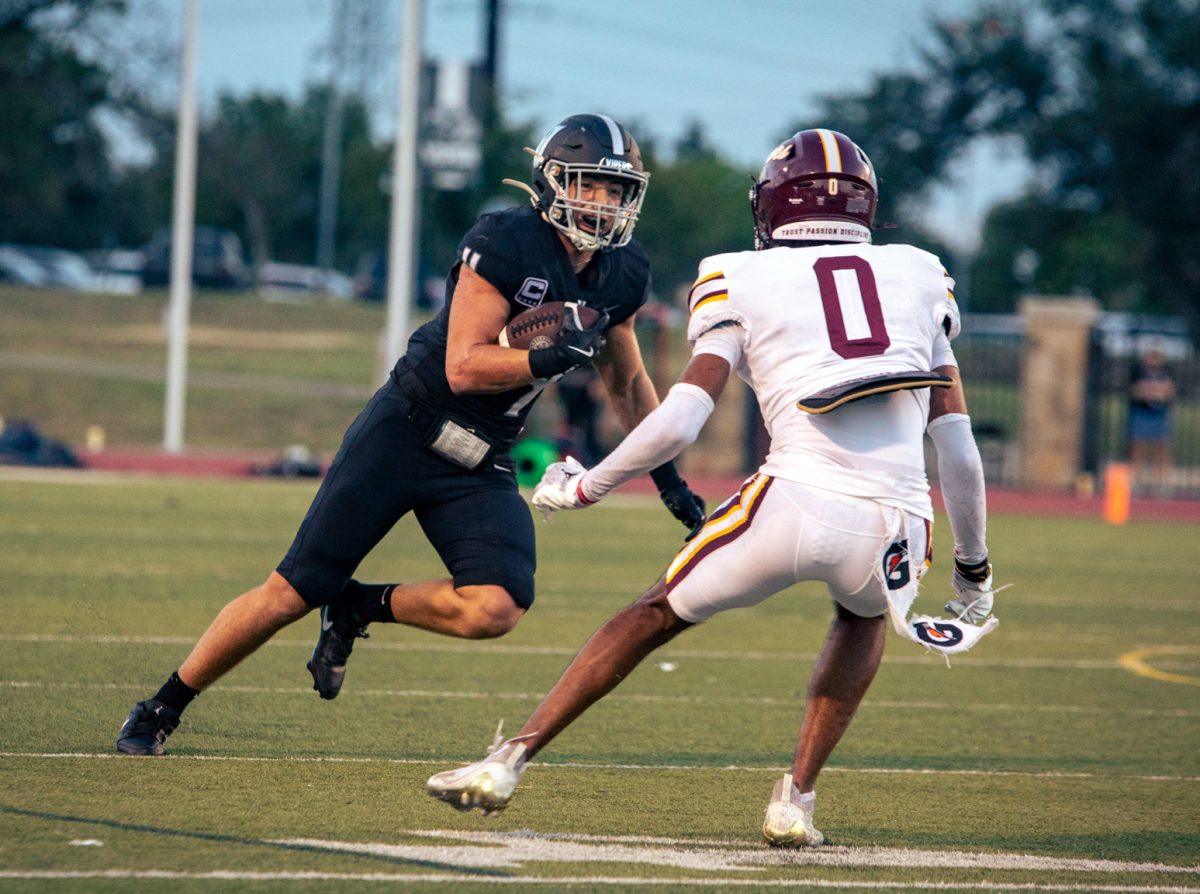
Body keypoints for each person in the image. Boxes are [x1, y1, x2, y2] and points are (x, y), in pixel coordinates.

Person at [426, 129, 998, 847]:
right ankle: (797, 801)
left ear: (773, 205)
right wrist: (973, 571)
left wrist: (588, 486)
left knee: (653, 613)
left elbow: (683, 417)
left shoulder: (738, 274)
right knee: (861, 620)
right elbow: (959, 449)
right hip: (895, 523)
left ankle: (510, 759)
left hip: (790, 500)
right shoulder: (920, 272)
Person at [116, 113, 706, 756]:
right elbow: (464, 365)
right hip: (406, 429)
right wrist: (545, 357)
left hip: (482, 456)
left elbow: (626, 383)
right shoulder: (506, 241)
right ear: (552, 182)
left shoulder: (622, 271)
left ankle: (359, 606)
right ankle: (162, 705)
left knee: (496, 606)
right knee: (290, 592)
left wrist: (668, 476)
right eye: (590, 186)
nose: (604, 204)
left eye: (616, 191)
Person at [1127, 347, 1175, 495]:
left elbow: (1170, 391)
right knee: (1137, 448)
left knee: (1162, 449)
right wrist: (1152, 390)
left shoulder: (1167, 373)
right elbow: (1135, 391)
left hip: (1160, 414)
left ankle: (1163, 485)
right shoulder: (1137, 373)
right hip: (1141, 412)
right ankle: (1135, 483)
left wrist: (1155, 390)